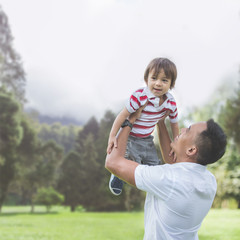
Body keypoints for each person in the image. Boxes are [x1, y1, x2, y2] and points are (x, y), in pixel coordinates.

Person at [105, 107, 227, 240]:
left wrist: (130, 120)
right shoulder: (209, 180)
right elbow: (175, 161)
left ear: (191, 150)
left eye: (189, 130)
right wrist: (160, 120)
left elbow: (113, 162)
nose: (182, 130)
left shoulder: (169, 178)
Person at [107, 57, 179, 195]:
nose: (158, 84)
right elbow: (122, 115)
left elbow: (175, 124)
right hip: (130, 137)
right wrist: (112, 136)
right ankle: (117, 175)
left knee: (155, 165)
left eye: (164, 80)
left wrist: (176, 144)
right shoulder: (139, 96)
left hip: (146, 139)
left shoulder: (170, 102)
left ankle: (160, 191)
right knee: (132, 162)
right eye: (154, 78)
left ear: (171, 84)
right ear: (147, 79)